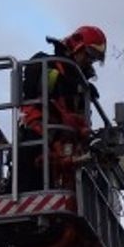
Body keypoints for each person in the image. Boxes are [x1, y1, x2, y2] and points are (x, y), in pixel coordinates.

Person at [16, 25, 106, 192]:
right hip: (37, 135)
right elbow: (32, 86)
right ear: (76, 45)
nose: (90, 61)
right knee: (29, 184)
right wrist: (71, 84)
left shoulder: (83, 86)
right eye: (89, 55)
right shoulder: (43, 62)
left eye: (94, 59)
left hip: (65, 147)